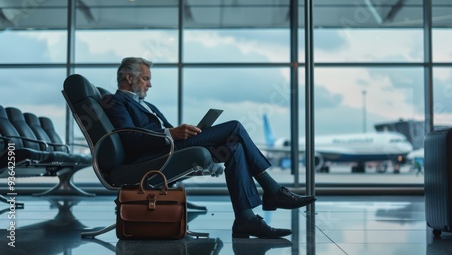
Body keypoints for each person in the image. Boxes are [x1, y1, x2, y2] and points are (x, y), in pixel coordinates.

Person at [102, 57, 316, 239]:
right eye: (145, 78)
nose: (149, 85)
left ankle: (245, 219)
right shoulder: (116, 101)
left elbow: (164, 130)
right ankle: (272, 190)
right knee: (235, 127)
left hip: (169, 145)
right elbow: (130, 138)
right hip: (154, 155)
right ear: (129, 78)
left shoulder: (145, 104)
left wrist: (185, 132)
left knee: (234, 146)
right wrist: (170, 134)